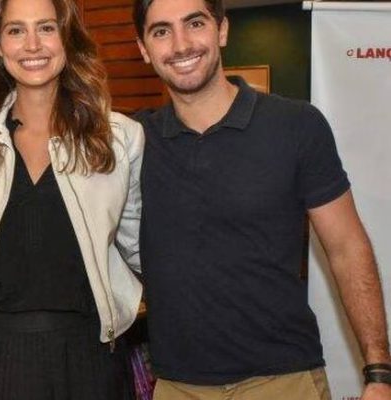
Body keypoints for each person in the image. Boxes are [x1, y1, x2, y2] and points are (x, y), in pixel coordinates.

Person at [132, 0, 391, 399]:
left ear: (222, 29)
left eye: (195, 23)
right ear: (144, 48)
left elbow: (347, 247)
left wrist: (379, 373)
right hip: (177, 386)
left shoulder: (296, 126)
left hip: (284, 380)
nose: (181, 44)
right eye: (161, 31)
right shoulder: (133, 142)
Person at [0, 0, 143, 398]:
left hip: (92, 355)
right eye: (15, 30)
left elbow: (141, 248)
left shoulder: (118, 138)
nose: (32, 44)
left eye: (46, 28)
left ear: (67, 38)